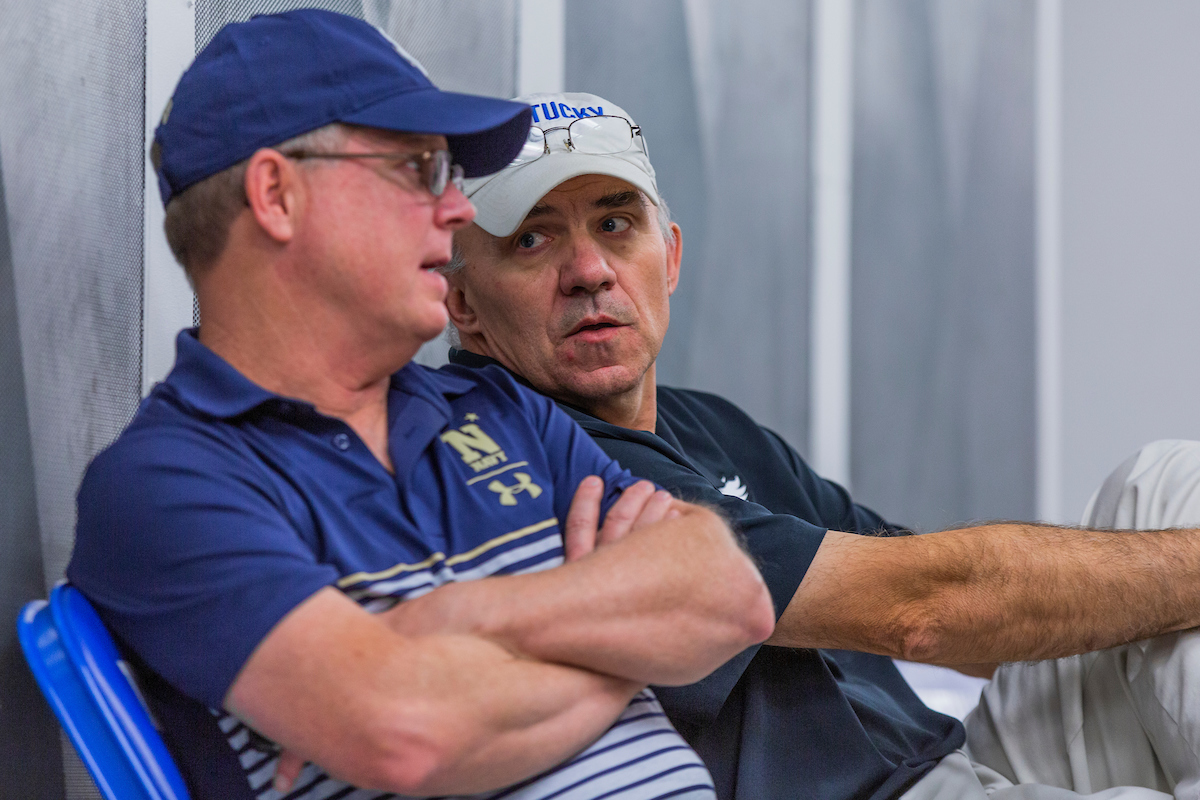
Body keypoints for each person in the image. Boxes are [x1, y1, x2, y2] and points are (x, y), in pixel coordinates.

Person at [65, 19, 774, 800]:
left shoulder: (501, 408)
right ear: (276, 195)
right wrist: (622, 645)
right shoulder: (165, 484)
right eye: (420, 168)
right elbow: (407, 734)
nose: (458, 211)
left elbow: (729, 598)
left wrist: (456, 618)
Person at [442, 89, 1200, 800]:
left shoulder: (704, 422)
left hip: (951, 758)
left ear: (668, 258)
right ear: (463, 305)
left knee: (1162, 483)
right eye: (534, 238)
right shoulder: (525, 452)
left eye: (615, 224)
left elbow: (960, 606)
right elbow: (925, 611)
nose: (590, 271)